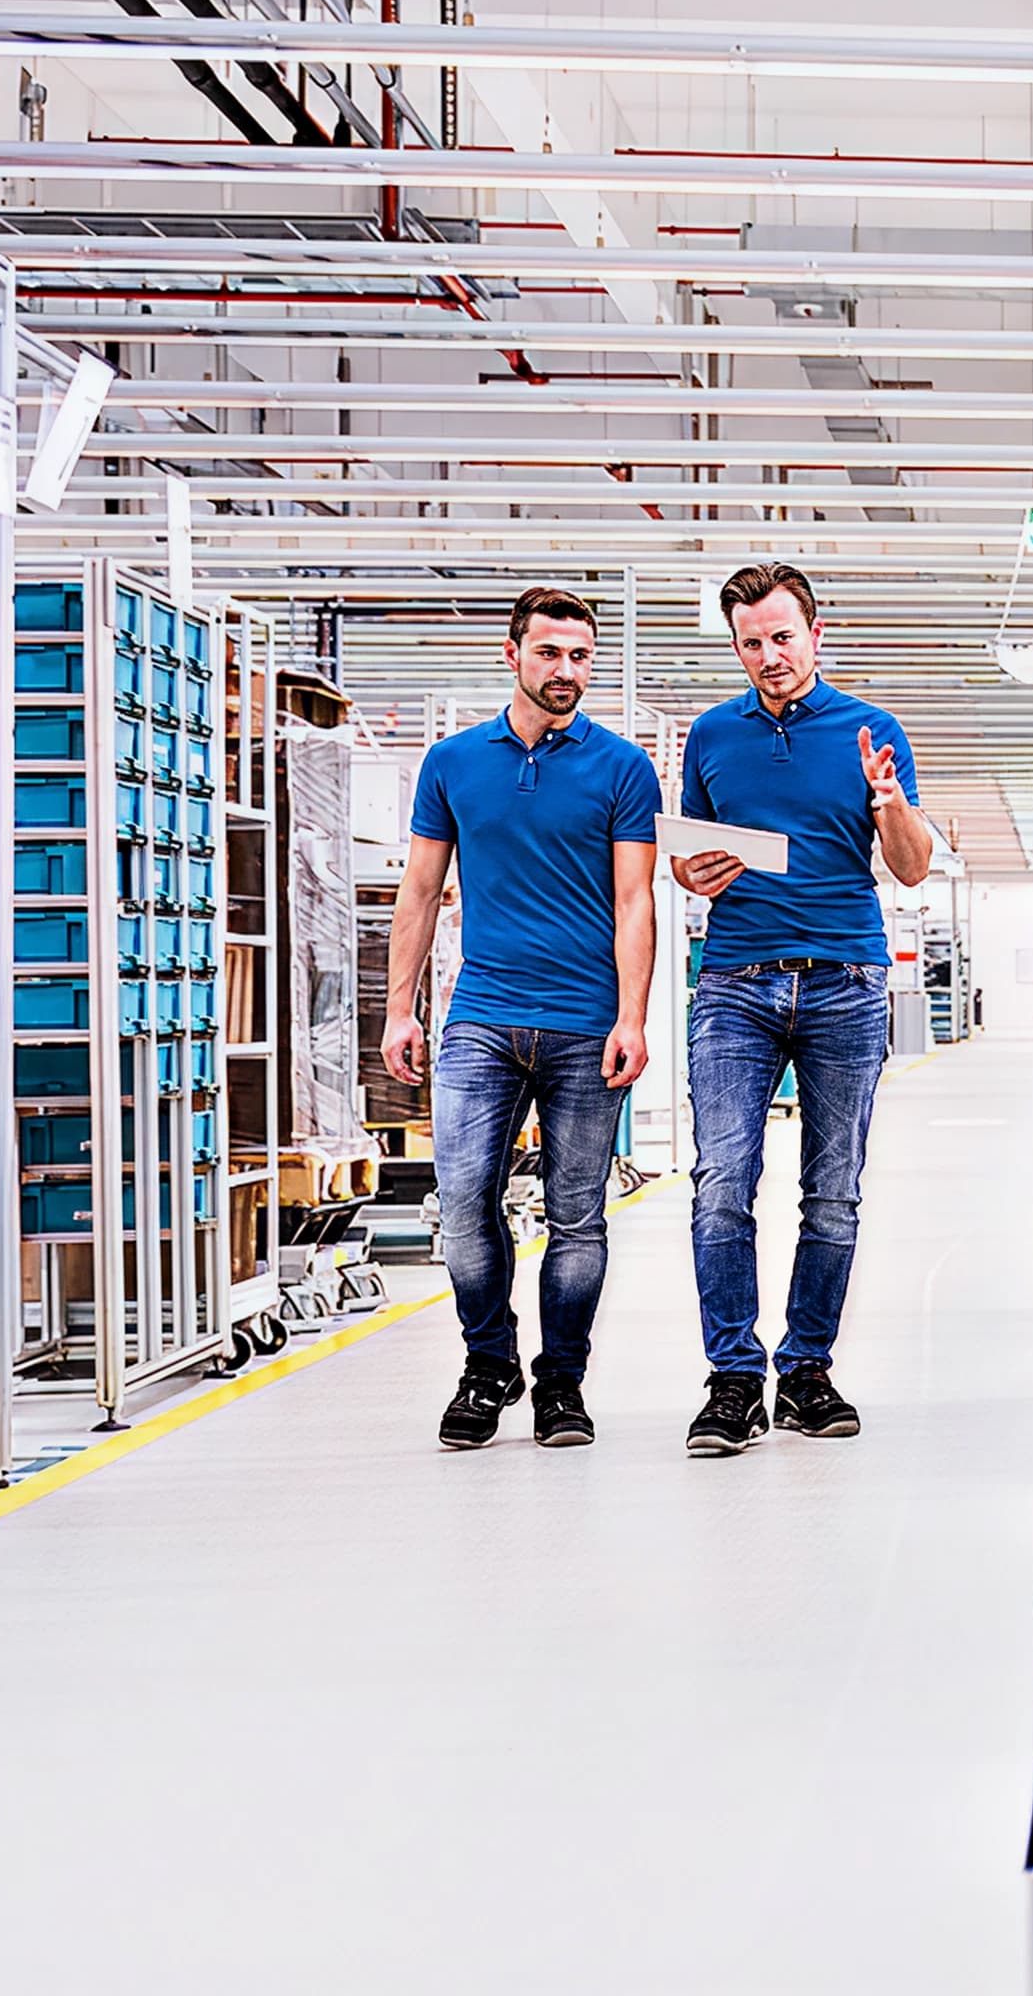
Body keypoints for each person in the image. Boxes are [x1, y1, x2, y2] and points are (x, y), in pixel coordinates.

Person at [381, 586, 661, 1451]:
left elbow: (634, 900)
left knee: (578, 1215)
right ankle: (487, 1362)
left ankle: (561, 1384)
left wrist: (633, 1016)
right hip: (482, 1018)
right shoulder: (454, 762)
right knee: (463, 1200)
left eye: (581, 656)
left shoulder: (623, 767)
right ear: (513, 654)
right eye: (550, 653)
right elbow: (420, 892)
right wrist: (400, 1009)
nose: (567, 671)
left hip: (585, 1024)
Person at [664, 562, 933, 1456]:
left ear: (815, 632)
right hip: (735, 982)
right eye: (751, 642)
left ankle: (807, 1370)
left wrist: (889, 803)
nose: (769, 655)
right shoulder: (709, 735)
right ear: (735, 645)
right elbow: (687, 857)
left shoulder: (871, 729)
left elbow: (912, 866)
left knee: (834, 1192)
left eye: (783, 637)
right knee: (721, 1186)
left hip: (845, 983)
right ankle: (734, 1379)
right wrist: (689, 870)